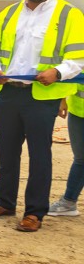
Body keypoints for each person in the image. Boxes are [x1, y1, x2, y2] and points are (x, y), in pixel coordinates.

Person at [0, 0, 84, 232]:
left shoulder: (69, 15)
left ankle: (35, 212)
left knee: (39, 155)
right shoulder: (11, 13)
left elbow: (79, 57)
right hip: (8, 92)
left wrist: (58, 73)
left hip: (43, 95)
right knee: (7, 151)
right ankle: (4, 202)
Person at [50, 89, 84, 217]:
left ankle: (68, 201)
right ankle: (68, 202)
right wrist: (62, 99)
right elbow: (68, 73)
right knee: (81, 159)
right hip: (77, 111)